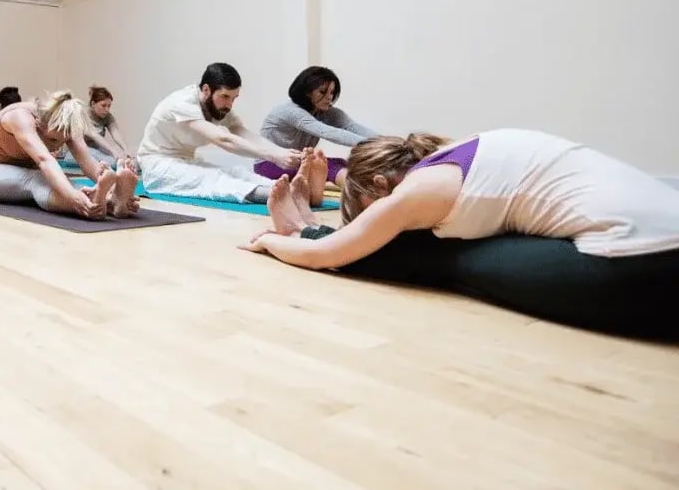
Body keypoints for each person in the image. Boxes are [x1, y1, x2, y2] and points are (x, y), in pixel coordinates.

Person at [239, 129, 679, 338]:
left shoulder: (417, 192)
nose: (377, 219)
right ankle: (306, 228)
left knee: (441, 256)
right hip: (661, 240)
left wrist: (273, 242)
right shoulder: (456, 152)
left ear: (379, 186)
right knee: (452, 239)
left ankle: (303, 230)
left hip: (642, 270)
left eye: (366, 211)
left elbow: (332, 256)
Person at [137, 63, 303, 204]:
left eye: (234, 98)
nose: (229, 105)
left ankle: (289, 189)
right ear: (206, 89)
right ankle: (277, 195)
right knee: (212, 178)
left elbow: (242, 133)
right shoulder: (182, 103)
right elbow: (223, 139)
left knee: (237, 172)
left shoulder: (219, 108)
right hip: (157, 166)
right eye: (225, 96)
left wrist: (281, 152)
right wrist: (274, 157)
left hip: (186, 160)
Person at [0, 91, 139, 219]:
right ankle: (92, 204)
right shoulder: (20, 117)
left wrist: (113, 190)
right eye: (52, 139)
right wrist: (73, 198)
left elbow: (87, 163)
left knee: (58, 180)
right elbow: (44, 160)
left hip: (24, 175)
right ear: (39, 123)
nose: (56, 143)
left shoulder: (67, 125)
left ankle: (110, 203)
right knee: (39, 178)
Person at [255, 66, 378, 202]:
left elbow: (353, 127)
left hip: (297, 162)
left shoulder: (328, 112)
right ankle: (365, 196)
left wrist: (390, 143)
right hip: (267, 165)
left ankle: (374, 191)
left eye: (332, 92)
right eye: (322, 92)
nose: (329, 97)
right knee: (327, 165)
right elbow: (328, 132)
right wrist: (377, 146)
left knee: (343, 163)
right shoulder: (290, 111)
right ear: (306, 92)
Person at [60, 86, 135, 170]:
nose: (107, 109)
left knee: (121, 157)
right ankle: (123, 165)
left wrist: (126, 150)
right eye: (103, 105)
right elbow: (94, 135)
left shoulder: (107, 116)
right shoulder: (82, 114)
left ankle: (126, 164)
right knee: (111, 161)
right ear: (93, 104)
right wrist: (113, 152)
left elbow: (115, 132)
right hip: (74, 152)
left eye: (109, 106)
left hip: (95, 149)